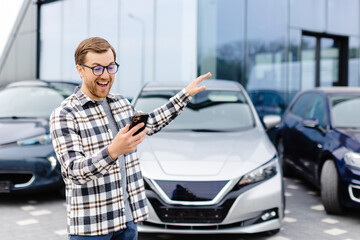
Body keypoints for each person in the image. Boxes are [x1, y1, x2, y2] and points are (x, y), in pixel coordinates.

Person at [49, 36, 211, 240]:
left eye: (110, 67)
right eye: (97, 68)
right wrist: (113, 151)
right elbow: (74, 171)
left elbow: (150, 123)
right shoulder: (65, 114)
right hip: (92, 227)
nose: (105, 75)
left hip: (126, 220)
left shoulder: (121, 103)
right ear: (80, 69)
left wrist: (184, 95)